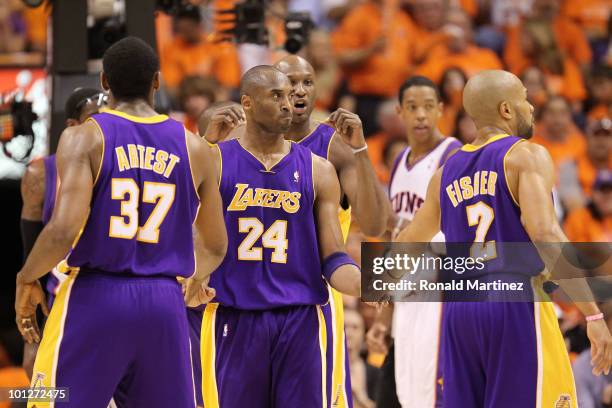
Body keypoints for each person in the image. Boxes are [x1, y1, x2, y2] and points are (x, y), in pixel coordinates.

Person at [15, 36, 227, 407]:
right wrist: (193, 280)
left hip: (96, 295)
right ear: (157, 81)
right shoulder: (196, 148)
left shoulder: (84, 137)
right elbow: (214, 245)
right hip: (165, 302)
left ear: (104, 82)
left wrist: (27, 275)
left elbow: (64, 229)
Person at [392, 69, 612, 407]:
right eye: (525, 98)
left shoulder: (445, 172)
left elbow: (407, 241)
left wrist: (374, 281)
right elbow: (545, 233)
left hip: (459, 310)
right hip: (513, 302)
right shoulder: (525, 155)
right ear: (507, 110)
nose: (532, 108)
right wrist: (592, 315)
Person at [200, 65, 361, 407]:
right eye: (276, 96)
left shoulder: (319, 170)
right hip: (233, 317)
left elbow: (334, 257)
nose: (288, 103)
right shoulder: (215, 162)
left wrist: (375, 282)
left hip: (300, 320)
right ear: (247, 103)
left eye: (289, 95)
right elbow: (187, 232)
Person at [370, 76, 461, 408]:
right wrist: (383, 316)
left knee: (428, 397)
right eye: (412, 107)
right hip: (406, 296)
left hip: (438, 296)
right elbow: (390, 237)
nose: (421, 115)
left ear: (440, 109)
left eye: (427, 107)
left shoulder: (452, 156)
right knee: (395, 396)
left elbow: (460, 235)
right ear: (399, 112)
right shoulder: (399, 161)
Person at [19, 87, 106, 380]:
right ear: (72, 126)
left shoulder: (132, 165)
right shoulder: (40, 174)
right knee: (49, 392)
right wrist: (32, 336)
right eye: (95, 118)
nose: (103, 127)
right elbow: (31, 254)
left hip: (121, 293)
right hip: (66, 299)